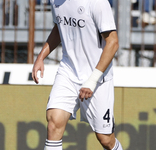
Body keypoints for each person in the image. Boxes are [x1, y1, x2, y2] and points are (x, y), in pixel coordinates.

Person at [32, 0, 123, 150]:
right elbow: (59, 27)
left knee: (106, 139)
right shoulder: (55, 1)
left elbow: (113, 43)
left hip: (97, 77)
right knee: (54, 122)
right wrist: (41, 57)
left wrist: (92, 80)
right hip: (68, 71)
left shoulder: (97, 3)